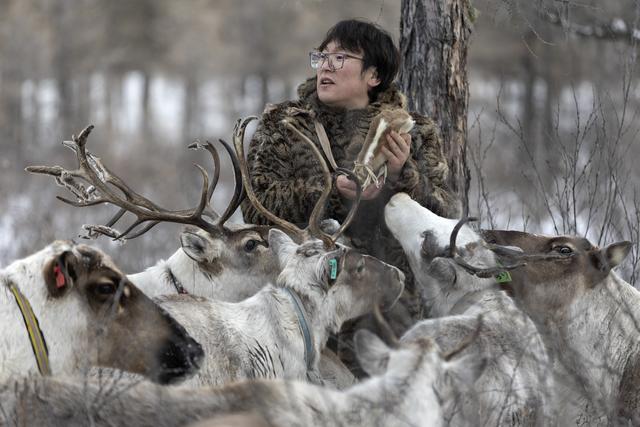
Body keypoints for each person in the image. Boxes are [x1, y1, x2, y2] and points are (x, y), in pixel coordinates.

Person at [241, 19, 460, 350]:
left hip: (388, 305)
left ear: (373, 76)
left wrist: (402, 179)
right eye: (322, 56)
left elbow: (444, 216)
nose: (325, 65)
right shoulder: (285, 126)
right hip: (301, 306)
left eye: (340, 58)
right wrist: (327, 192)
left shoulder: (414, 133)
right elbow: (254, 205)